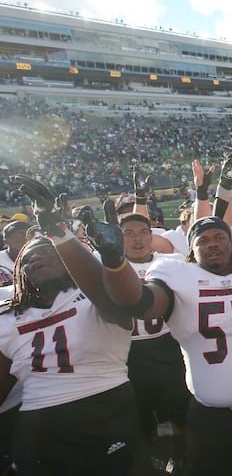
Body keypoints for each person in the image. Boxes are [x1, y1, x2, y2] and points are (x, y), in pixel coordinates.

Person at [103, 201, 232, 475]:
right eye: (203, 240)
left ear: (231, 244)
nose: (213, 244)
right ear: (192, 251)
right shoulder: (176, 277)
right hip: (210, 413)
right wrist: (114, 261)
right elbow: (137, 303)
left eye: (220, 237)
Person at [0, 175, 141, 474]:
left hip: (103, 405)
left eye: (46, 254)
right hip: (36, 419)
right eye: (27, 261)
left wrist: (59, 234)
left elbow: (120, 302)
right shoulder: (10, 310)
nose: (35, 261)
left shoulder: (93, 292)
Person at [117, 212, 190, 446]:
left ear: (151, 236)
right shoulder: (107, 267)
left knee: (180, 403)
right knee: (139, 410)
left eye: (142, 233)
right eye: (128, 234)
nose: (136, 240)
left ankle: (183, 452)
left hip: (167, 345)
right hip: (126, 351)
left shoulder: (172, 262)